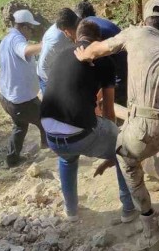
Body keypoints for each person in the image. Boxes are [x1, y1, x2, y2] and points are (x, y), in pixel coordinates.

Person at [73, 0, 159, 251]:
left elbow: (101, 49)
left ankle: (151, 234)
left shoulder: (133, 33)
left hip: (140, 128)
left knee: (126, 157)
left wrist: (83, 55)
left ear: (145, 23)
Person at [40, 19, 136, 223]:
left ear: (76, 37)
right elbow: (109, 111)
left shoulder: (60, 55)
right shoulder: (105, 61)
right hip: (78, 134)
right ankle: (129, 208)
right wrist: (112, 146)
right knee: (124, 147)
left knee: (67, 158)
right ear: (99, 41)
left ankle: (71, 211)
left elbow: (69, 88)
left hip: (49, 133)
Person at [0, 9, 46, 168]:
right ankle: (49, 152)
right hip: (20, 100)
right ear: (24, 27)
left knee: (20, 125)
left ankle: (11, 160)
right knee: (46, 120)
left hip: (7, 98)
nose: (32, 32)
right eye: (31, 29)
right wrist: (45, 45)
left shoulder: (6, 40)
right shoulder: (16, 40)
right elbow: (25, 50)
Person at [74, 0, 128, 106]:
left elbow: (96, 59)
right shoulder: (92, 23)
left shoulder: (92, 32)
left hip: (120, 68)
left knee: (110, 100)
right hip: (124, 60)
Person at [37, 8, 77, 94]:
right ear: (66, 32)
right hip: (48, 78)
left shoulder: (77, 23)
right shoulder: (56, 42)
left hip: (63, 69)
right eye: (74, 33)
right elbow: (43, 67)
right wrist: (58, 86)